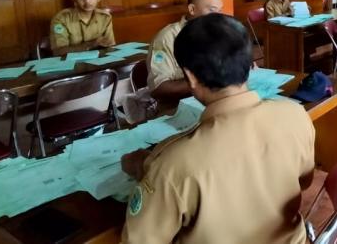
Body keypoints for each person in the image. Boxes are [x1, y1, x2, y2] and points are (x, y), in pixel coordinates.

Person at [121, 14, 315, 243]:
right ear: (249, 64)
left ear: (191, 77)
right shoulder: (295, 114)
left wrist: (148, 169)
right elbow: (304, 181)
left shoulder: (172, 164)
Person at [146, 0, 222, 101]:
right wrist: (205, 82)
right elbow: (158, 88)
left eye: (220, 11)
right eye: (212, 10)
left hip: (215, 100)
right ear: (192, 9)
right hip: (179, 107)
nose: (218, 17)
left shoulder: (219, 34)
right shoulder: (167, 38)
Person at [49, 0, 114, 56]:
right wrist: (91, 44)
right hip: (71, 61)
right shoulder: (61, 19)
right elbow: (58, 51)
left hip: (99, 59)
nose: (87, 1)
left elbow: (110, 45)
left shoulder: (105, 17)